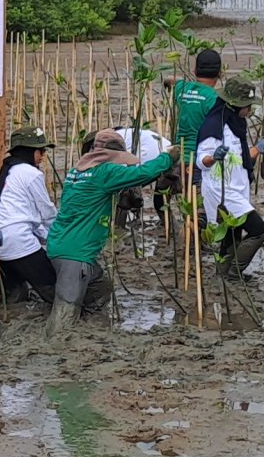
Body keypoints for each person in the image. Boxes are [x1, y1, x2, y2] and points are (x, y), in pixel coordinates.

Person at [43, 130, 177, 334]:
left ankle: (91, 333)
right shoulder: (105, 173)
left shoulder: (77, 172)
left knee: (101, 288)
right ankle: (55, 350)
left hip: (60, 245)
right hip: (75, 254)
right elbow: (142, 174)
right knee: (64, 316)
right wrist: (167, 157)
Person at [195, 76, 264, 280]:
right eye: (247, 106)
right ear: (235, 105)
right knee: (259, 230)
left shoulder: (237, 124)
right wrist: (213, 157)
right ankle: (236, 272)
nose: (249, 110)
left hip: (236, 187)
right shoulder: (214, 126)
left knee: (232, 233)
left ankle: (223, 275)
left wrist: (258, 149)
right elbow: (201, 160)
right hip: (221, 190)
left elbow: (239, 158)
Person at [0, 127, 57, 306]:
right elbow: (46, 211)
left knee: (15, 295)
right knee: (53, 290)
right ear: (29, 151)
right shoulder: (31, 173)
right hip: (18, 241)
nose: (43, 156)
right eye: (41, 151)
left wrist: (44, 235)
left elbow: (27, 214)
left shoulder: (8, 169)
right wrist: (59, 235)